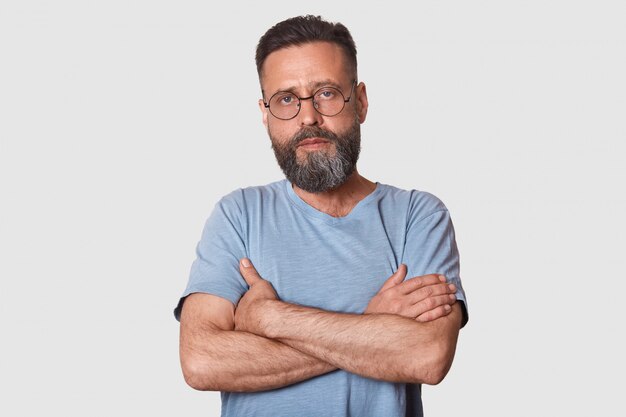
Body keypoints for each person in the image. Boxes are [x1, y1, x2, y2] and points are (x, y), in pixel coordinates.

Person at [174, 15, 468, 417]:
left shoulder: (418, 216)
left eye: (326, 93)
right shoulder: (238, 215)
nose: (308, 117)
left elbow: (426, 355)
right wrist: (372, 324)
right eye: (286, 99)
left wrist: (270, 318)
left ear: (360, 101)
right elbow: (202, 361)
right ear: (265, 113)